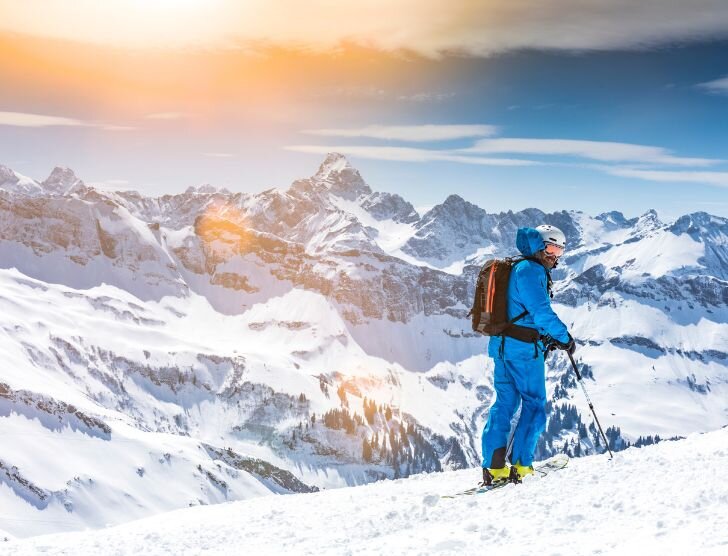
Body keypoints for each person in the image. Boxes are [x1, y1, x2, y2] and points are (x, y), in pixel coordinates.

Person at [481, 224, 575, 485]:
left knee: (504, 405)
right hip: (522, 351)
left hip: (501, 346)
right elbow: (541, 312)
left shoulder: (514, 267)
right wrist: (565, 338)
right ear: (540, 246)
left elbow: (519, 312)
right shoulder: (532, 270)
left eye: (561, 249)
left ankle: (494, 468)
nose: (556, 255)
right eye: (553, 247)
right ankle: (521, 466)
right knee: (533, 404)